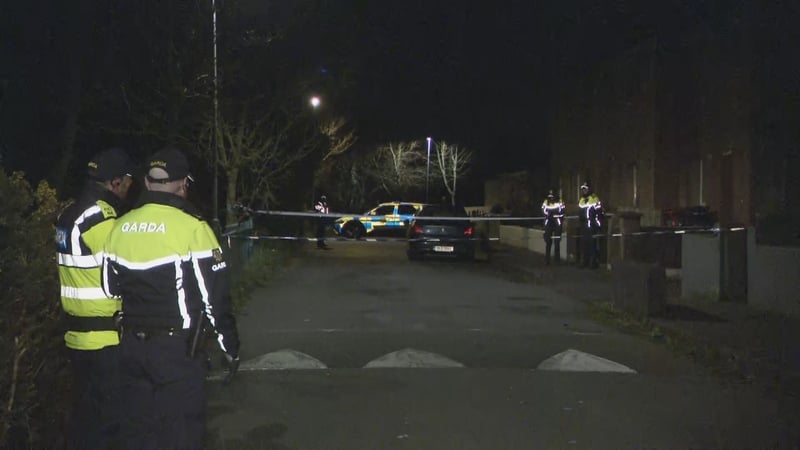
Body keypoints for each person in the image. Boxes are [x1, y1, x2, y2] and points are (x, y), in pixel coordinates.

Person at [101, 148, 240, 449]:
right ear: (183, 185)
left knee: (138, 433)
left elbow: (109, 288)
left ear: (147, 183)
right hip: (177, 352)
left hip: (131, 350)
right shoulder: (193, 228)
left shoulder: (119, 227)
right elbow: (214, 299)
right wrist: (230, 347)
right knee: (180, 434)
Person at [55, 147, 135, 449]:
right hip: (105, 339)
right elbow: (123, 273)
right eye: (128, 179)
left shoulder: (69, 215)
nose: (130, 185)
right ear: (114, 183)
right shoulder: (101, 219)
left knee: (85, 418)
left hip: (76, 336)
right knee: (110, 424)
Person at [578, 182, 603, 269]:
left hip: (592, 225)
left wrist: (598, 224)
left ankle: (593, 262)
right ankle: (584, 261)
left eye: (586, 188)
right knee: (584, 244)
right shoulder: (581, 199)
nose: (584, 190)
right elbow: (580, 213)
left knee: (592, 244)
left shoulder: (594, 198)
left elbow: (599, 213)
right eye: (583, 189)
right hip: (584, 225)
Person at [541, 189, 565, 265]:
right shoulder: (546, 201)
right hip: (549, 223)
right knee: (548, 241)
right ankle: (547, 260)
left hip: (557, 223)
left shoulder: (560, 201)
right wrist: (548, 214)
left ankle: (557, 260)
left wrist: (555, 215)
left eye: (552, 196)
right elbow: (543, 210)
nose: (551, 198)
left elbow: (562, 211)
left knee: (557, 241)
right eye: (549, 196)